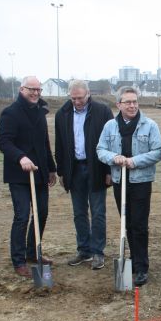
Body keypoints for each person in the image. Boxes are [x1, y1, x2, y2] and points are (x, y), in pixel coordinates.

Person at [96, 86, 161, 287]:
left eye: (135, 101)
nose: (132, 105)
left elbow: (158, 151)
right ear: (119, 105)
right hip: (119, 180)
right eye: (128, 102)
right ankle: (132, 261)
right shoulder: (110, 126)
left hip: (140, 181)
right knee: (127, 224)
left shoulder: (149, 125)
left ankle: (142, 267)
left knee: (139, 225)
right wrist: (114, 157)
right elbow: (100, 149)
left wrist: (135, 161)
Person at [0, 76, 57, 278]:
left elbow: (44, 143)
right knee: (22, 215)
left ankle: (33, 252)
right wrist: (20, 157)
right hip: (18, 175)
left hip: (39, 173)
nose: (35, 93)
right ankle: (18, 259)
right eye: (31, 89)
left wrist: (51, 168)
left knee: (42, 213)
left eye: (38, 90)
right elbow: (3, 141)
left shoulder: (40, 112)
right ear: (22, 89)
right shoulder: (10, 113)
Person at [55, 79, 114, 270]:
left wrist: (108, 170)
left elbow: (111, 142)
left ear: (88, 94)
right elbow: (60, 145)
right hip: (74, 170)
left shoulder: (102, 111)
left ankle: (98, 251)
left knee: (97, 212)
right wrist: (62, 172)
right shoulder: (62, 114)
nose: (77, 102)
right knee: (79, 213)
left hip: (96, 168)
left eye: (80, 98)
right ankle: (84, 250)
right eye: (73, 98)